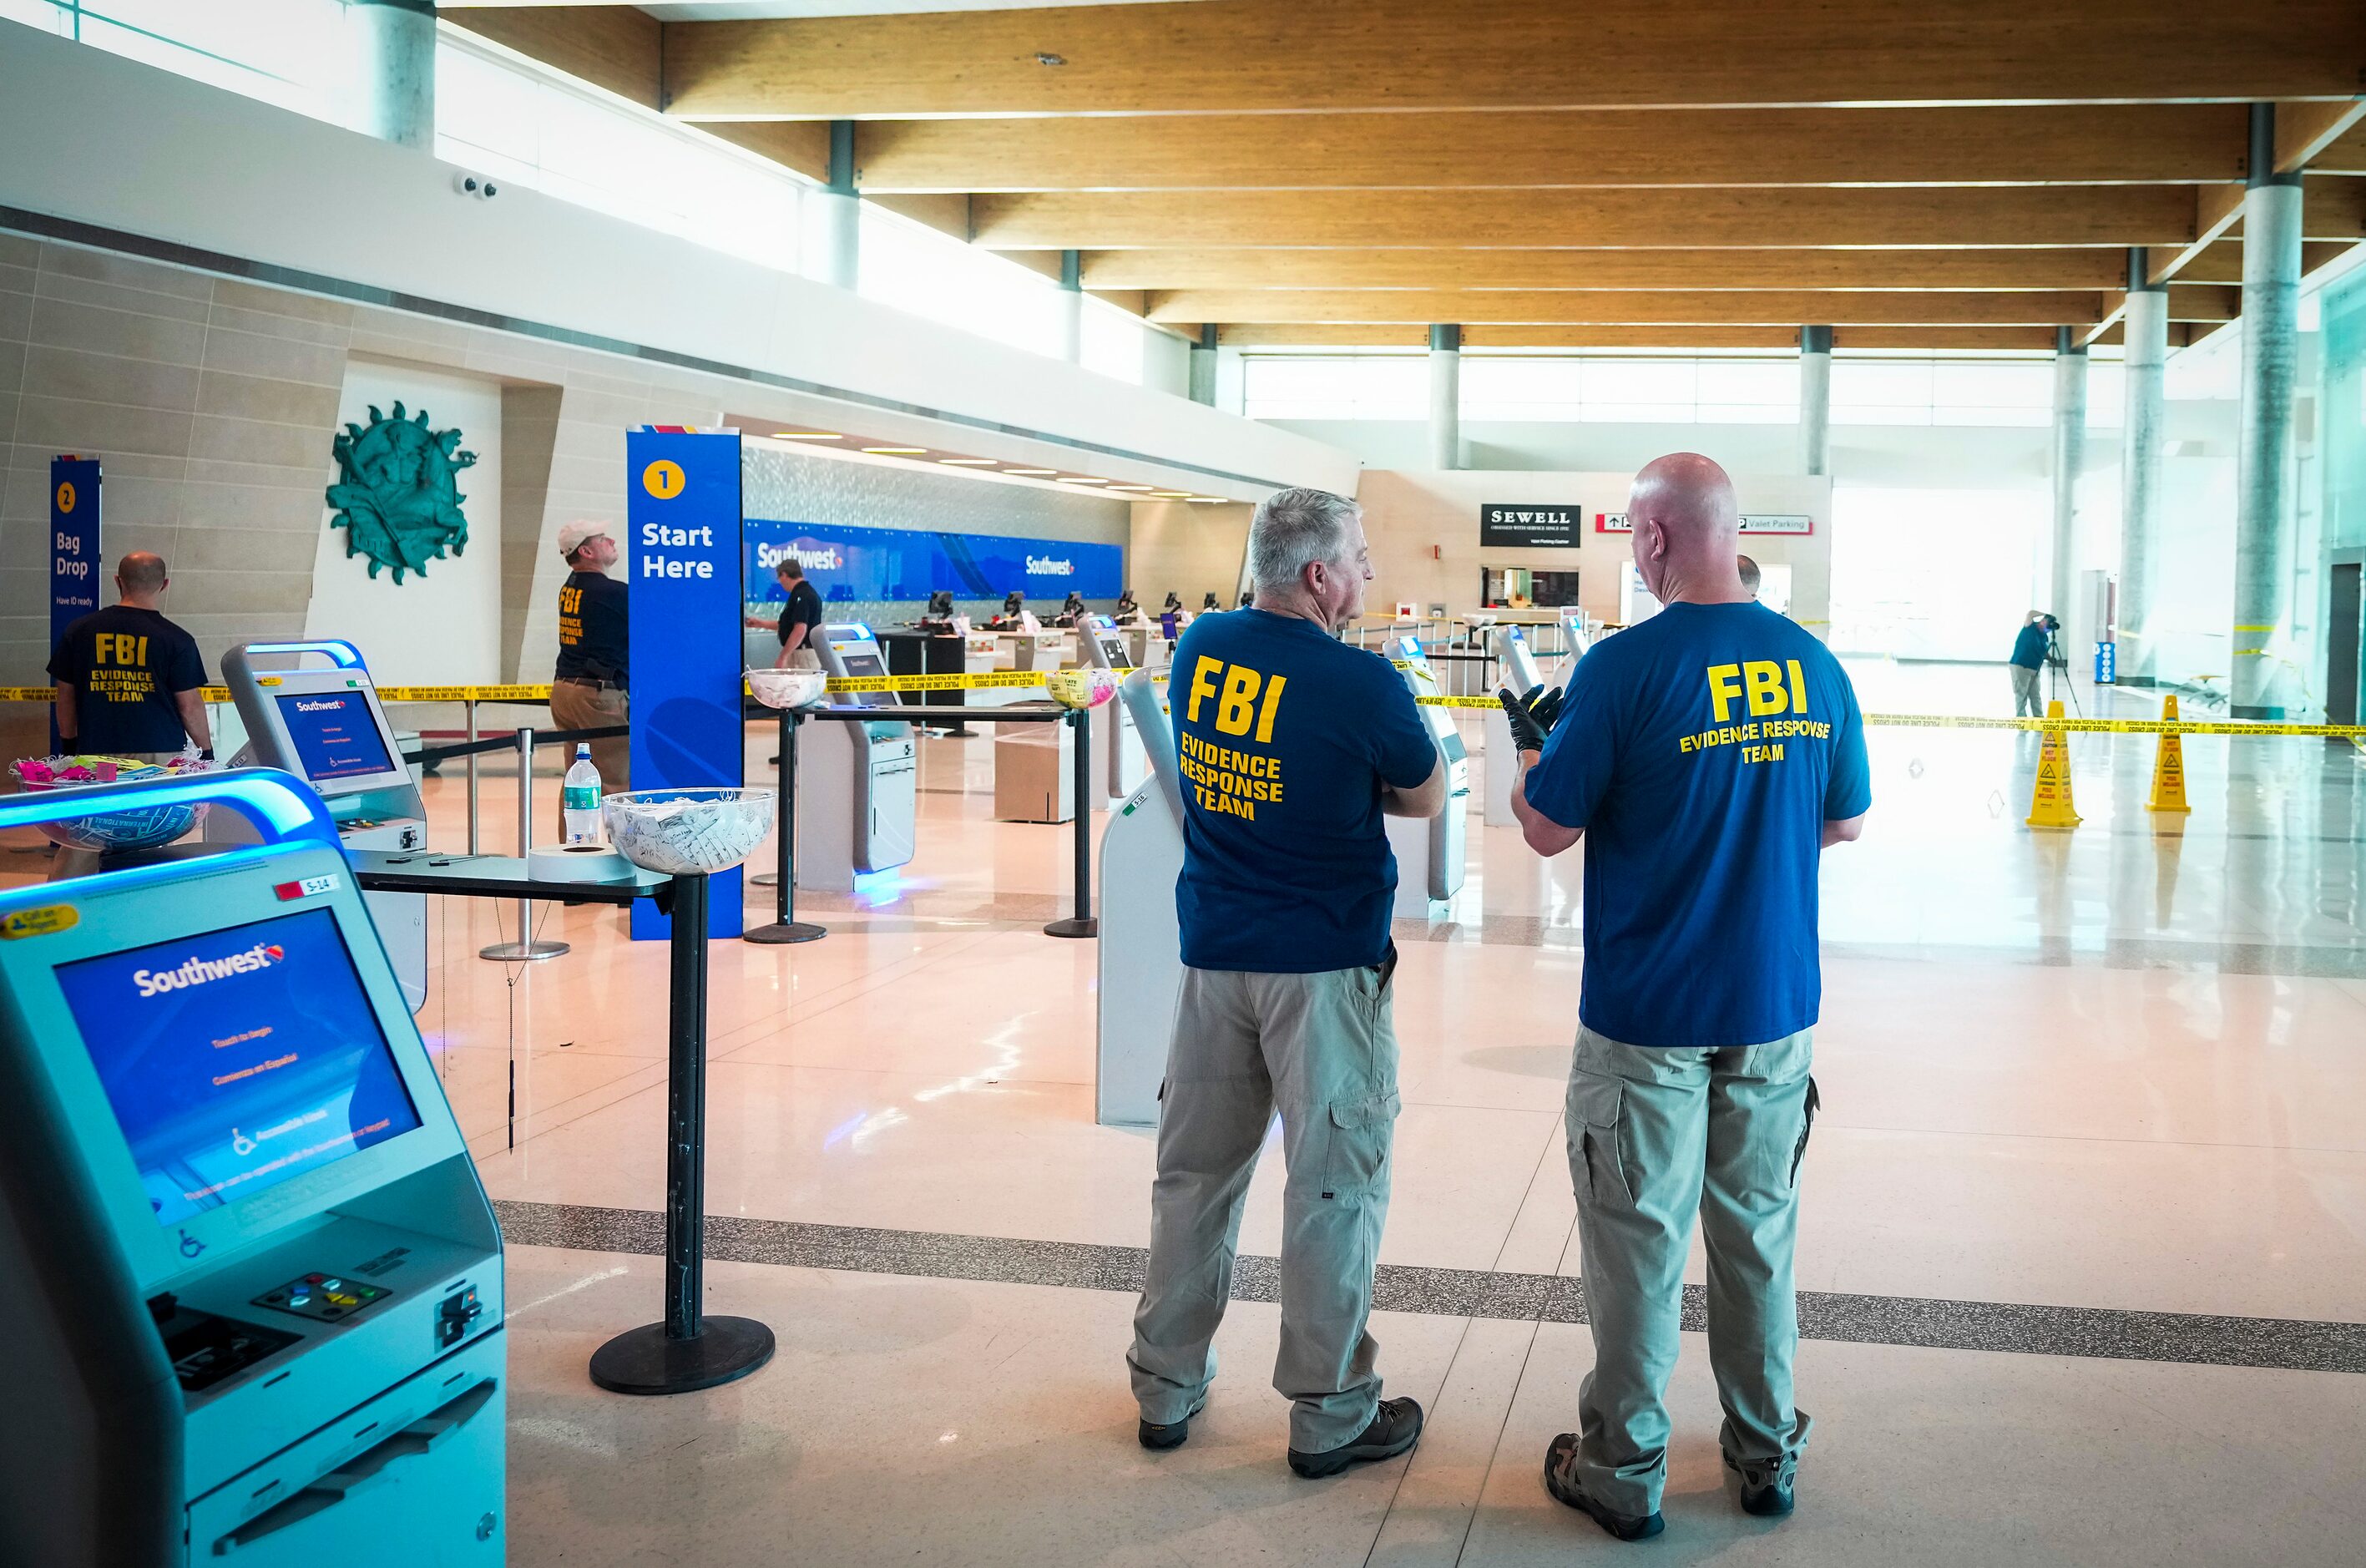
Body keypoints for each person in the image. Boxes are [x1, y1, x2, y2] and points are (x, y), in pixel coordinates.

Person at [1501, 453, 1870, 1542]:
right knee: (1755, 1234)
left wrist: (1535, 752)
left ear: (1656, 538)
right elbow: (1843, 820)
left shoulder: (1622, 670)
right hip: (1770, 1006)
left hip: (1646, 1013)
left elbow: (1547, 826)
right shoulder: (1812, 665)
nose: (1631, 552)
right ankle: (1763, 1454)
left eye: (1631, 536)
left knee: (1637, 1243)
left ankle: (1624, 1465)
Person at [1128, 486, 1445, 1479]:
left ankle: (1165, 1386)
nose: (1368, 573)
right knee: (1330, 1189)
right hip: (1322, 976)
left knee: (1193, 1179)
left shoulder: (1202, 647)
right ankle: (1329, 1410)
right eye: (1357, 556)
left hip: (1215, 961)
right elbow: (1426, 795)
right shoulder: (1362, 687)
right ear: (1316, 576)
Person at [49, 551, 212, 761]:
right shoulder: (178, 639)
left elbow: (65, 696)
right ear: (164, 584)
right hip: (160, 749)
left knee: (106, 796)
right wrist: (207, 753)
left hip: (96, 748)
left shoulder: (79, 631)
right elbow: (189, 706)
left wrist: (69, 745)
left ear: (118, 581)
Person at [551, 520, 629, 794]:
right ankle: (621, 839)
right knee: (617, 781)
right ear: (586, 552)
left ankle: (571, 838)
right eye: (603, 539)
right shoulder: (613, 592)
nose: (611, 542)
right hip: (597, 697)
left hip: (564, 690)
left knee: (576, 780)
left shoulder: (570, 587)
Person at [745, 558, 824, 670]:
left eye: (779, 577)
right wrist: (760, 623)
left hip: (802, 655)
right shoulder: (806, 593)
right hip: (803, 653)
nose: (780, 582)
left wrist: (783, 657)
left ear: (784, 575)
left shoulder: (802, 595)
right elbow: (789, 626)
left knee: (797, 686)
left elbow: (800, 629)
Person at [2010, 610, 2050, 718]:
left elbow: (2044, 651)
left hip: (2034, 670)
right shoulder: (2030, 626)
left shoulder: (2044, 637)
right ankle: (2022, 720)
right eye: (2045, 623)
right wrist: (2046, 614)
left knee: (2035, 695)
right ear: (2042, 621)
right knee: (2021, 695)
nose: (2046, 628)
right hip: (2020, 666)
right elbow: (2030, 613)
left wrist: (2052, 659)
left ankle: (2039, 718)